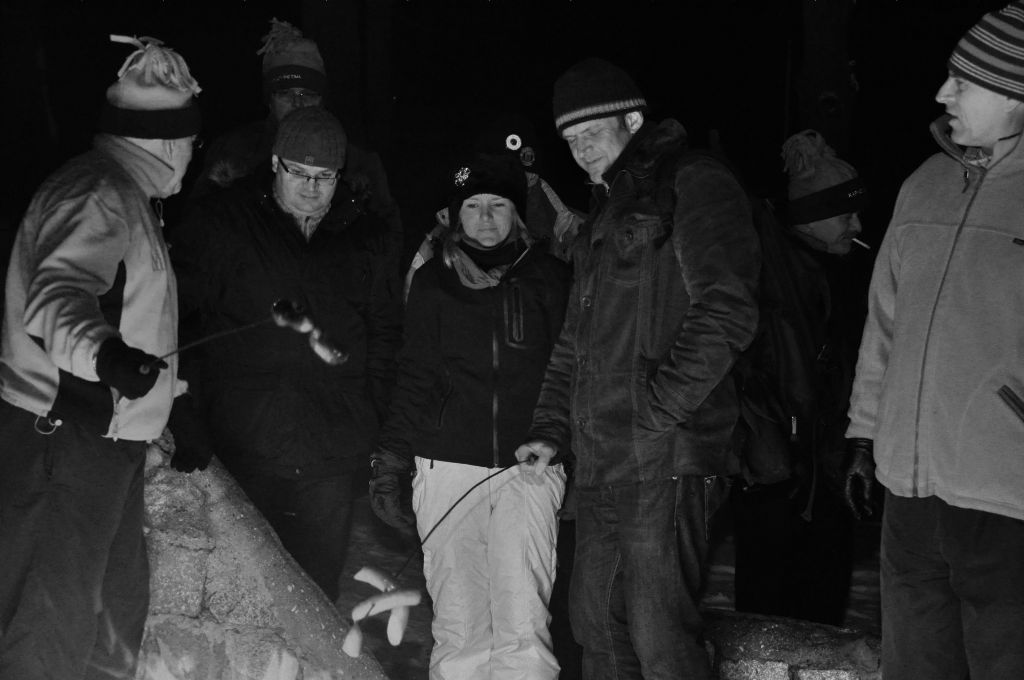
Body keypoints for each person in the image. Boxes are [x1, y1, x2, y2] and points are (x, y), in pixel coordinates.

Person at [516, 58, 760, 680]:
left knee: (660, 639)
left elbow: (728, 308)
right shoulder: (603, 211)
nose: (580, 151)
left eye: (591, 133)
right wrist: (550, 428)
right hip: (602, 459)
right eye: (570, 140)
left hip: (664, 456)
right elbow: (574, 341)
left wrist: (656, 410)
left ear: (632, 120)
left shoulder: (692, 180)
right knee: (596, 627)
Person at [0, 36, 204, 679]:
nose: (192, 154)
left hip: (106, 443)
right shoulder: (99, 193)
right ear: (167, 143)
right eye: (191, 142)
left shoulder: (127, 197)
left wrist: (169, 402)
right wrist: (107, 357)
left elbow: (132, 315)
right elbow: (56, 299)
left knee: (113, 620)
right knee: (51, 626)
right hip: (63, 439)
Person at [844, 3, 1024, 677]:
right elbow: (884, 324)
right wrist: (865, 436)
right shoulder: (924, 185)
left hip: (1006, 497)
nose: (943, 93)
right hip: (910, 494)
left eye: (964, 81)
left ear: (1016, 95)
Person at [169, 106, 402, 602]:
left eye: (325, 176)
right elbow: (181, 320)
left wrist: (375, 417)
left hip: (331, 448)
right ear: (275, 163)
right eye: (299, 172)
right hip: (243, 440)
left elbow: (384, 333)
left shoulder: (366, 236)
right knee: (244, 592)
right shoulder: (224, 222)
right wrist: (185, 409)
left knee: (313, 594)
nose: (312, 188)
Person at [369, 153, 571, 680]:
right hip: (446, 467)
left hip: (528, 468)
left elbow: (573, 371)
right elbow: (413, 375)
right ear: (455, 215)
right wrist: (391, 459)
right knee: (460, 625)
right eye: (473, 206)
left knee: (523, 621)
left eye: (497, 205)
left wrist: (565, 443)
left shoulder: (551, 278)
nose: (485, 217)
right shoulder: (433, 283)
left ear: (517, 213)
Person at [731, 129, 869, 625]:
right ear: (812, 216)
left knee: (821, 605)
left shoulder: (843, 270)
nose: (857, 224)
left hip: (824, 469)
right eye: (845, 215)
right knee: (770, 607)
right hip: (779, 474)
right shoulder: (773, 274)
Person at [191, 18, 401, 243]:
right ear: (269, 99)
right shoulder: (233, 154)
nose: (297, 103)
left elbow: (387, 239)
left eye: (307, 94)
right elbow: (197, 228)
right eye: (285, 93)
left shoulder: (359, 163)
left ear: (322, 99)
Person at [404, 113, 584, 298]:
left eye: (523, 174)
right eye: (502, 174)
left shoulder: (574, 230)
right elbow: (414, 295)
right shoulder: (441, 236)